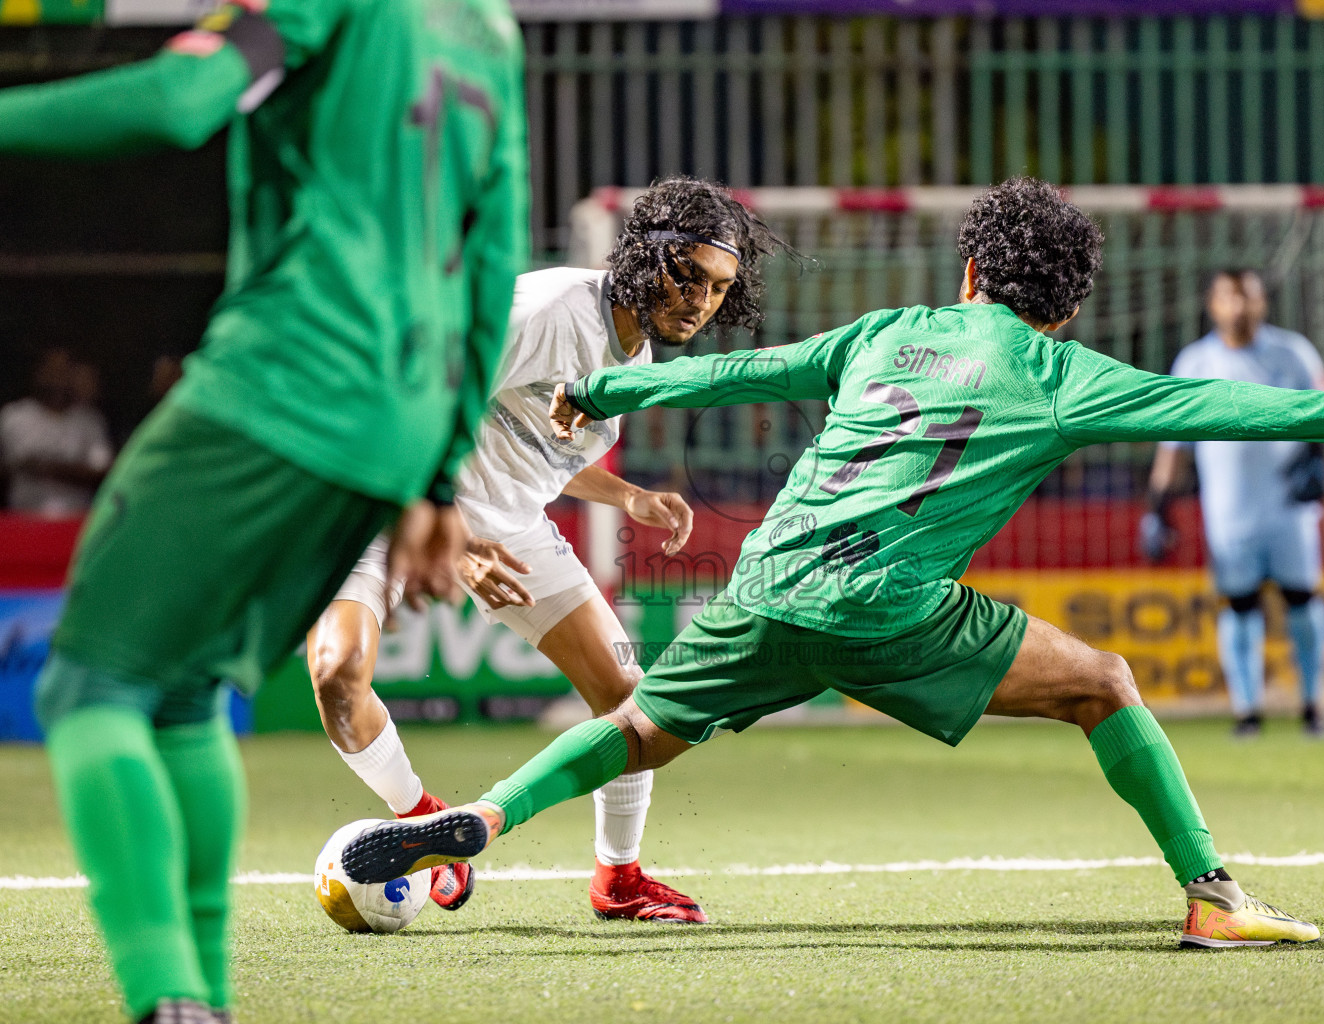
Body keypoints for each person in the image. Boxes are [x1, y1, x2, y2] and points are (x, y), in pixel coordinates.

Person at [339, 179, 1324, 950]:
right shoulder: (1062, 369)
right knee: (1105, 682)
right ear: (1064, 305)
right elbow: (1207, 404)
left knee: (631, 729)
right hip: (890, 608)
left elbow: (742, 374)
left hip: (766, 584)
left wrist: (612, 391)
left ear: (968, 270)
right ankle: (1213, 893)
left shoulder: (883, 331)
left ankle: (474, 823)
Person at [0, 2, 528, 1021]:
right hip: (397, 423)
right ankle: (200, 1001)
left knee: (90, 686)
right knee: (190, 693)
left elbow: (178, 99)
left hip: (282, 383)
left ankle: (164, 992)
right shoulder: (488, 31)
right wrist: (434, 476)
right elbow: (493, 255)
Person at [308, 177, 789, 922]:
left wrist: (627, 496)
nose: (699, 299)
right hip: (397, 500)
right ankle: (418, 820)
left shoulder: (635, 361)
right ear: (643, 254)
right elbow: (419, 407)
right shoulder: (548, 310)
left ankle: (620, 879)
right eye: (686, 274)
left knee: (633, 705)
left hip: (513, 527)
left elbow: (539, 449)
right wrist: (452, 536)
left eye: (720, 287)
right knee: (337, 671)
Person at [1141, 270, 1324, 737]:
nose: (1240, 308)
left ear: (1261, 302)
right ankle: (1247, 711)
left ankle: (1314, 704)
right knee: (1240, 606)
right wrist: (1157, 505)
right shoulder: (1195, 361)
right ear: (1213, 304)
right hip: (1229, 511)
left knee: (1302, 599)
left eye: (1248, 297)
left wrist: (1317, 460)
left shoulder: (1293, 353)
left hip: (1289, 507)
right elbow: (1173, 443)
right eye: (1230, 298)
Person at [0, 348, 114, 516]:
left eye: (64, 371)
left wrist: (51, 469)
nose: (57, 378)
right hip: (23, 520)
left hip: (75, 521)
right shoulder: (13, 416)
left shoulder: (90, 421)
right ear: (39, 373)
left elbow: (102, 472)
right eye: (52, 370)